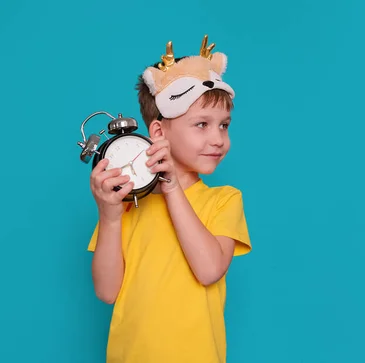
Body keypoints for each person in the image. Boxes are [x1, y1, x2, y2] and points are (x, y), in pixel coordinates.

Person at [86, 36, 252, 363]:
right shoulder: (127, 204)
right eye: (202, 125)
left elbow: (208, 270)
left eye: (224, 125)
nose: (218, 139)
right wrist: (108, 215)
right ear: (159, 133)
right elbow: (107, 292)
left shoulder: (224, 200)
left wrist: (173, 187)